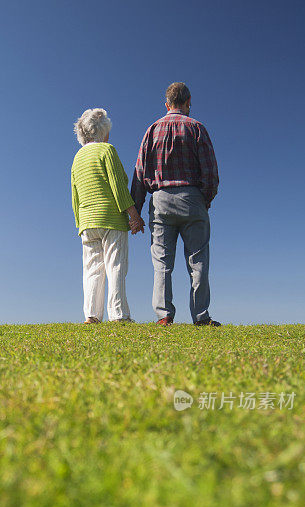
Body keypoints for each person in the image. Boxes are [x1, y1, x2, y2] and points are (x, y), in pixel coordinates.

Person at [131, 82, 221, 326]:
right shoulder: (197, 128)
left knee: (162, 262)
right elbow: (211, 171)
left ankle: (164, 316)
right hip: (192, 199)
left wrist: (136, 213)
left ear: (167, 104)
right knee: (198, 261)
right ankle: (201, 317)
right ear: (189, 101)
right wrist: (205, 199)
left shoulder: (152, 130)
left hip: (160, 200)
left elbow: (139, 173)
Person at [71, 108, 144, 324]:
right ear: (102, 132)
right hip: (111, 219)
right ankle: (119, 315)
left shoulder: (77, 158)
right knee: (116, 267)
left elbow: (74, 194)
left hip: (87, 221)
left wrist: (79, 223)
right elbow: (118, 187)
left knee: (92, 269)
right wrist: (134, 216)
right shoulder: (107, 150)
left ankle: (92, 315)